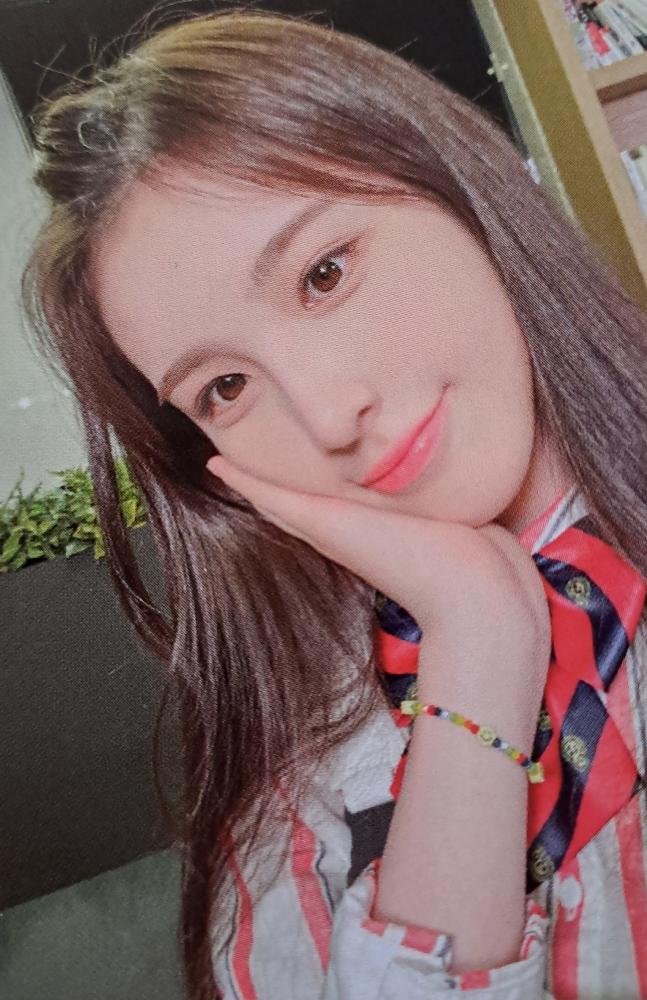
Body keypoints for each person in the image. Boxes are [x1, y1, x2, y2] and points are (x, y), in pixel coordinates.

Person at [21, 7, 647, 999]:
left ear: (455, 189)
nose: (326, 413)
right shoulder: (292, 825)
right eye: (225, 388)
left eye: (324, 273)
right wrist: (478, 656)